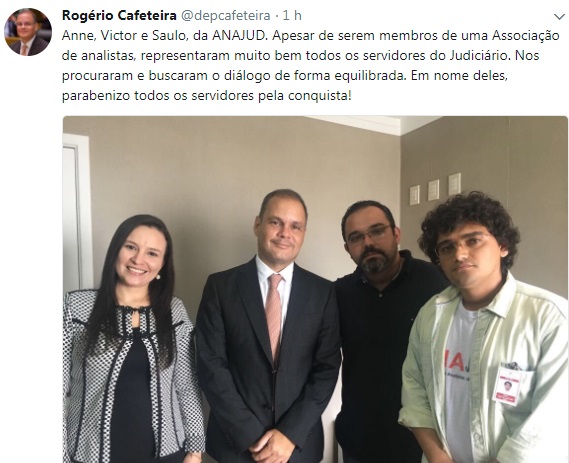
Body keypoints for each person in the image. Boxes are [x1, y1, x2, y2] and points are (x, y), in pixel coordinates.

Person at [399, 191, 568, 463]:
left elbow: (554, 418)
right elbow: (414, 390)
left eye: (473, 240)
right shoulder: (431, 314)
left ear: (503, 245)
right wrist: (438, 457)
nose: (459, 254)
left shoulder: (549, 318)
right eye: (447, 247)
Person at [196, 189, 341, 463]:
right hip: (235, 447)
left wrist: (289, 434)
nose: (285, 233)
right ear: (257, 224)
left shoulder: (323, 293)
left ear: (303, 234)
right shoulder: (220, 287)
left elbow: (326, 369)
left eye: (295, 226)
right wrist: (251, 436)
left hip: (297, 448)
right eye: (276, 222)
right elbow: (210, 365)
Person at [63, 215, 205, 463]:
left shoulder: (174, 311)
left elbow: (186, 386)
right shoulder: (76, 306)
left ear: (162, 264)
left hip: (167, 454)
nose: (139, 260)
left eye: (152, 253)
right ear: (115, 250)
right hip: (88, 454)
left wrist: (195, 450)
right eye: (131, 247)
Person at [335, 200, 448, 463]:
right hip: (359, 442)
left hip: (424, 443)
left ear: (396, 234)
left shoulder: (437, 284)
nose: (368, 243)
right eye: (356, 237)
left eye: (377, 231)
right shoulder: (339, 294)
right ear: (347, 249)